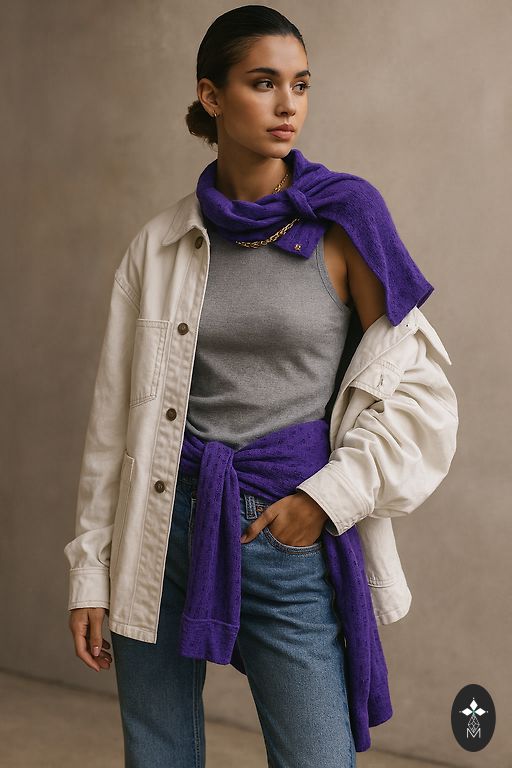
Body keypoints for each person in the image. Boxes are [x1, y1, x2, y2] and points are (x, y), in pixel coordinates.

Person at [64, 6, 458, 767]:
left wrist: (324, 502)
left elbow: (418, 393)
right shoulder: (160, 245)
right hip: (160, 526)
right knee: (158, 753)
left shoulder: (345, 222)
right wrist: (89, 571)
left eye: (300, 85)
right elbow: (114, 421)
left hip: (283, 529)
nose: (288, 105)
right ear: (211, 97)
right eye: (263, 83)